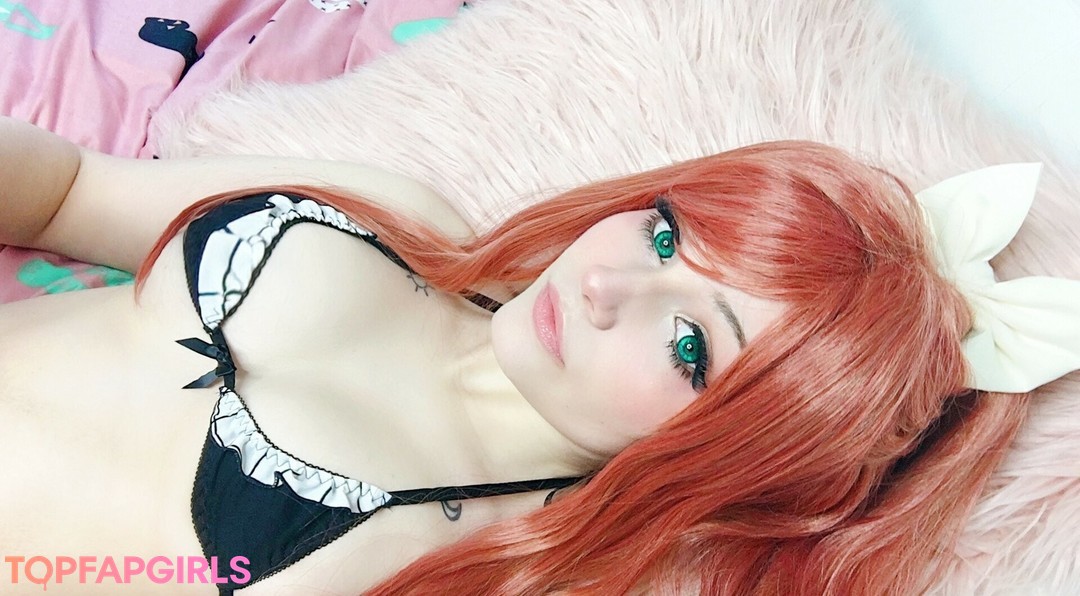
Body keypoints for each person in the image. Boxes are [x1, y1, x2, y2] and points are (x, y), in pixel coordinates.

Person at [1, 115, 1077, 595]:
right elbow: (70, 193)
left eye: (691, 343)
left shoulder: (489, 572)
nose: (607, 284)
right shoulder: (400, 219)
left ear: (736, 453)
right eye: (666, 236)